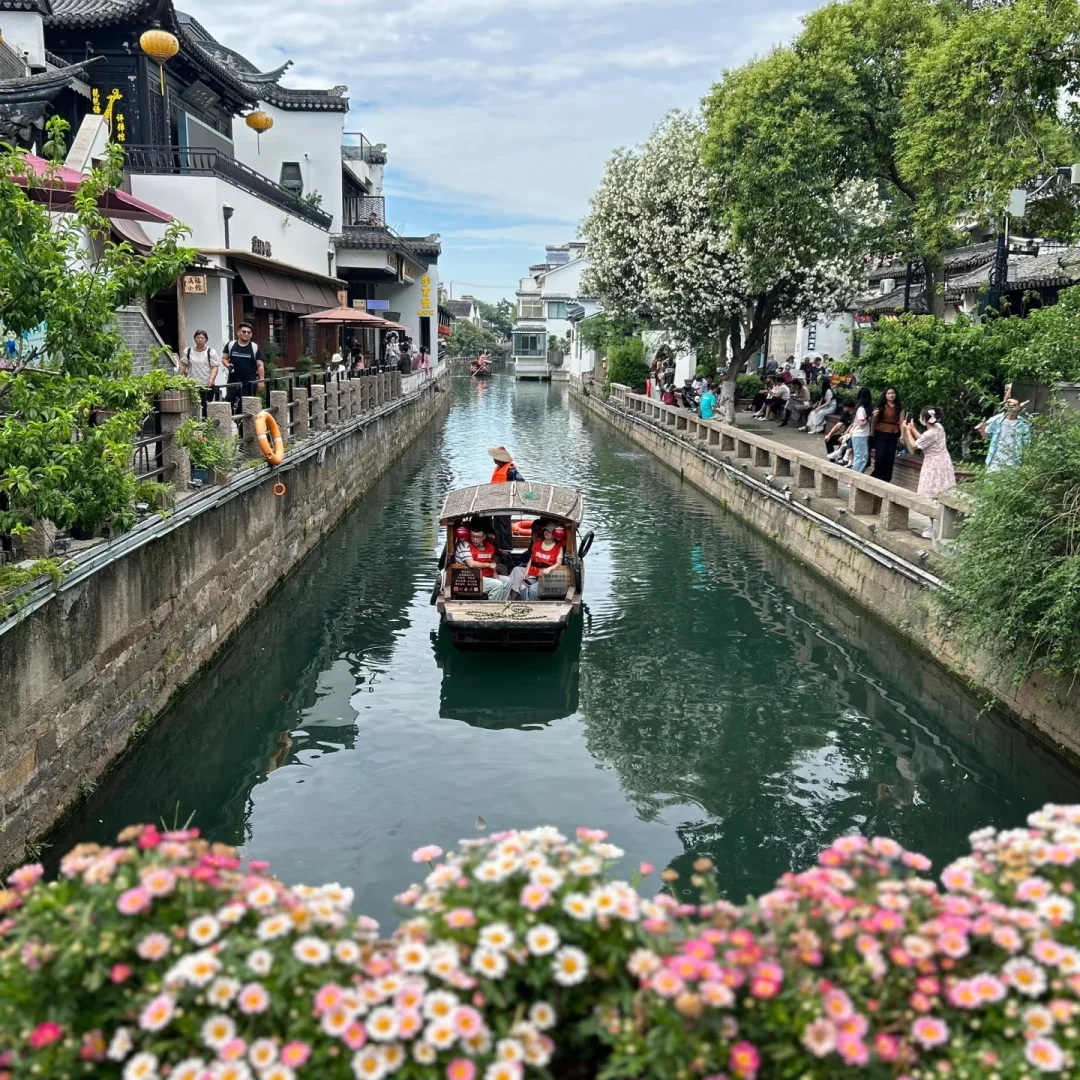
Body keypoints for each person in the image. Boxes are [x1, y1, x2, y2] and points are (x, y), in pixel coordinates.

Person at [903, 407, 956, 535]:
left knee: (931, 495)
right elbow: (924, 439)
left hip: (933, 466)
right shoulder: (939, 427)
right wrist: (912, 428)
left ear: (924, 419)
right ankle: (938, 526)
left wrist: (907, 431)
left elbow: (915, 445)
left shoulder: (930, 433)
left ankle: (935, 527)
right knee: (940, 494)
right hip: (944, 463)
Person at [506, 522, 566, 601]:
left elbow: (559, 563)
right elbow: (532, 559)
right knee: (523, 587)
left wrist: (549, 569)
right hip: (533, 574)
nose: (546, 533)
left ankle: (532, 606)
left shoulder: (558, 548)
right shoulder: (537, 544)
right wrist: (527, 572)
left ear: (555, 535)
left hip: (546, 577)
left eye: (549, 532)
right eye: (545, 531)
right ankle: (524, 603)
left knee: (532, 590)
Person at [977, 386, 1031, 472]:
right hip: (994, 461)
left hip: (1013, 463)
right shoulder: (997, 420)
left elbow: (1026, 446)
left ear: (1019, 408)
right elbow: (987, 436)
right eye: (1009, 405)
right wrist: (981, 430)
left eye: (1014, 406)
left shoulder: (1023, 425)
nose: (1011, 408)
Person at [454, 522, 512, 599]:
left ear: (484, 537)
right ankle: (493, 608)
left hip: (486, 576)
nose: (475, 539)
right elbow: (471, 564)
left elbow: (492, 565)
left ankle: (501, 604)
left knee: (507, 581)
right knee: (497, 584)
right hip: (470, 578)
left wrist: (496, 577)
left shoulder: (488, 546)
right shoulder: (464, 545)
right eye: (473, 536)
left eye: (478, 537)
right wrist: (488, 565)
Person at [222, 322, 265, 404]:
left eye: (249, 332)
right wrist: (228, 365)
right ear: (238, 332)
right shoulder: (231, 345)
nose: (246, 334)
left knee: (248, 405)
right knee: (231, 403)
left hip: (249, 382)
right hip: (233, 381)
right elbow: (224, 358)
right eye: (244, 331)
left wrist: (261, 380)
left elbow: (260, 365)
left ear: (251, 335)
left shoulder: (254, 347)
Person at [871, 387, 903, 483]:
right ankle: (876, 475)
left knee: (890, 456)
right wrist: (872, 430)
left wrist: (902, 436)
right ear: (885, 395)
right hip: (881, 432)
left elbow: (902, 422)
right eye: (889, 393)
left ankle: (886, 478)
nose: (891, 395)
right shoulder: (880, 406)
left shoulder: (899, 406)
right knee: (880, 455)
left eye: (893, 393)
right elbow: (874, 420)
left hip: (894, 432)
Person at [179, 330, 220, 399]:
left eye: (202, 338)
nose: (200, 340)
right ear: (195, 339)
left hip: (206, 384)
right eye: (198, 338)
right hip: (192, 384)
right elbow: (183, 365)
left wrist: (212, 379)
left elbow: (214, 367)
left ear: (206, 340)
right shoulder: (188, 351)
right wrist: (179, 377)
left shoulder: (211, 352)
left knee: (206, 406)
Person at [849, 387, 873, 473]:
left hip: (862, 435)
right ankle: (854, 477)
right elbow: (861, 424)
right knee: (861, 457)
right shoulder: (861, 409)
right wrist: (869, 418)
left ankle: (858, 475)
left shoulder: (861, 409)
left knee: (863, 457)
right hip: (860, 435)